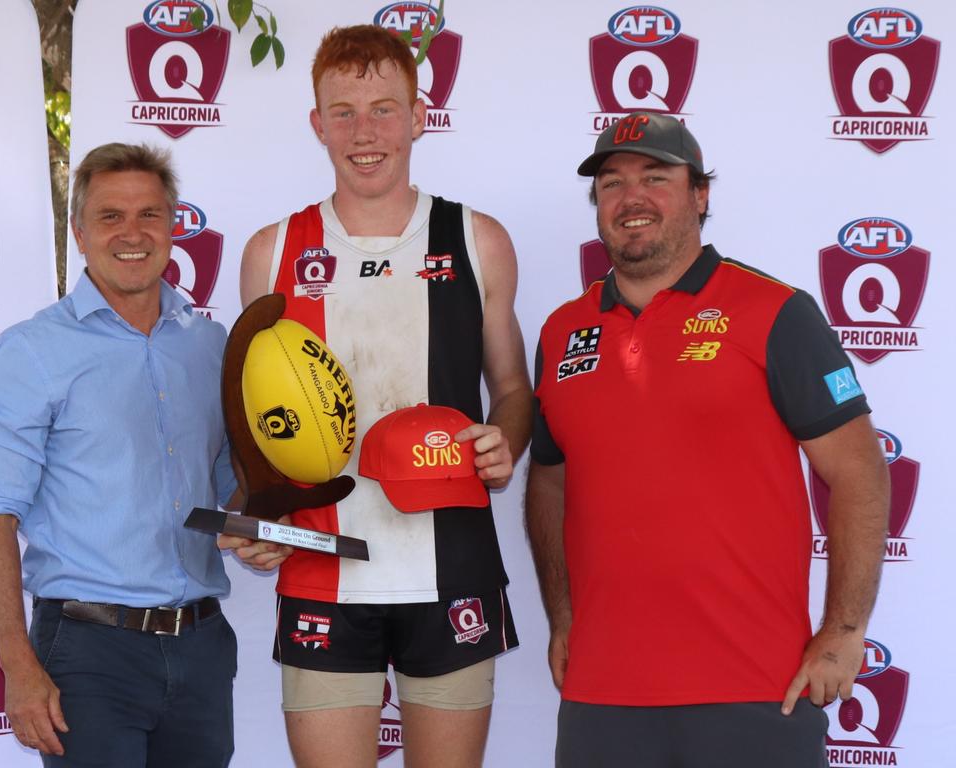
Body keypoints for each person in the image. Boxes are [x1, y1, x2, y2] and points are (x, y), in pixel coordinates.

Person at [525, 112, 890, 768]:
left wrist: (843, 631)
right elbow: (549, 481)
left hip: (756, 689)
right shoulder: (561, 332)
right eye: (611, 182)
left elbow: (860, 471)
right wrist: (562, 617)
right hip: (601, 696)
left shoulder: (775, 312)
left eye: (655, 177)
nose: (631, 197)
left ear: (700, 195)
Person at [220, 24, 533, 768]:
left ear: (420, 116)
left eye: (385, 109)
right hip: (323, 566)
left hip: (450, 563)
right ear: (317, 123)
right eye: (345, 111)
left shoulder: (476, 238)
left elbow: (514, 388)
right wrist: (257, 511)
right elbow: (258, 426)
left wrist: (505, 441)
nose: (366, 132)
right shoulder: (273, 250)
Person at [0, 142, 260, 767]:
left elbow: (228, 488)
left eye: (150, 214)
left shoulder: (211, 345)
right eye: (110, 216)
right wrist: (16, 664)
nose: (133, 233)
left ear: (174, 227)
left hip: (203, 647)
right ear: (79, 232)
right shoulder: (33, 350)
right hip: (87, 656)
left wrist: (261, 531)